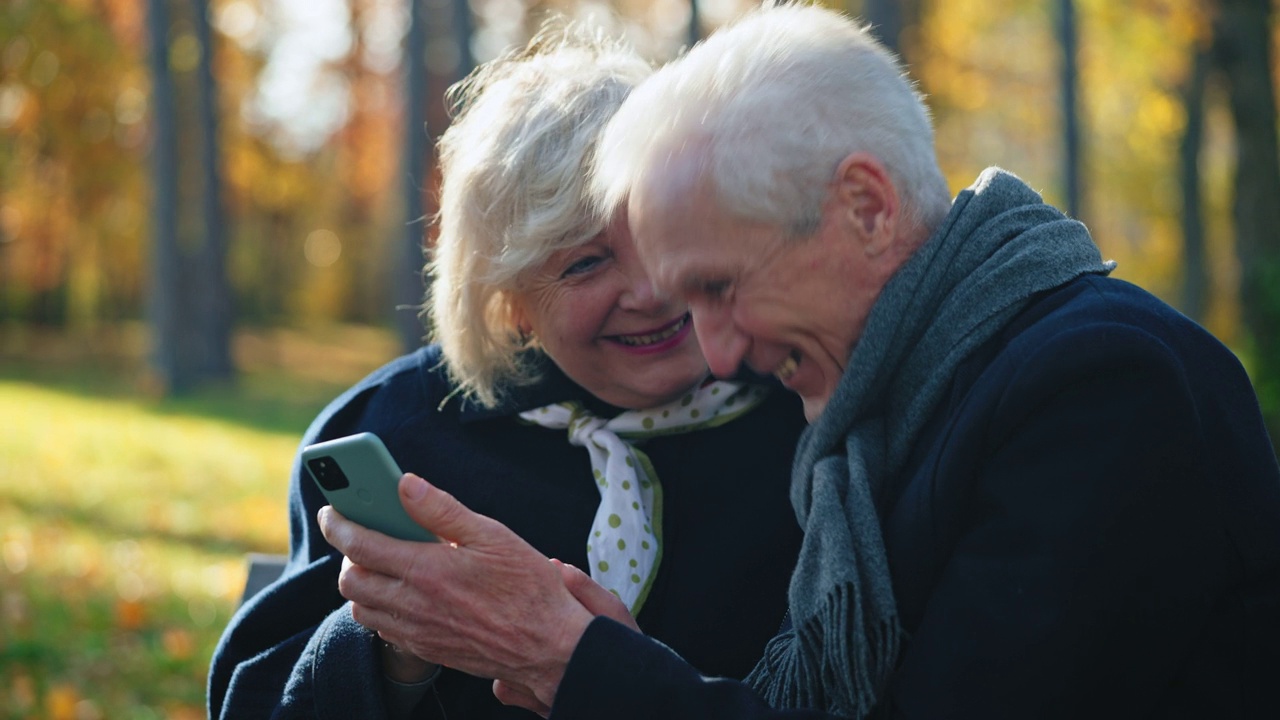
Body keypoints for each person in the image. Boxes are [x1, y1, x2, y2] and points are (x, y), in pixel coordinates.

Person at [323, 3, 1280, 719]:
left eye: (718, 285)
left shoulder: (1100, 384)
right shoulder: (914, 387)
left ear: (866, 207)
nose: (718, 348)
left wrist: (569, 660)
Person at [205, 21, 808, 720]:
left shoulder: (800, 410)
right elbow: (254, 703)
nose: (649, 292)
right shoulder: (400, 433)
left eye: (657, 233)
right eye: (585, 262)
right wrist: (399, 638)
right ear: (511, 303)